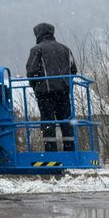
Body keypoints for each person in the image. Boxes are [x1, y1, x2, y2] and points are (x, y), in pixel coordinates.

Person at [26, 23, 77, 152]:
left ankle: (51, 152)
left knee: (48, 122)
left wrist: (35, 86)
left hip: (45, 93)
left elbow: (31, 71)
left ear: (38, 34)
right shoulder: (65, 49)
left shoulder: (37, 49)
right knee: (66, 122)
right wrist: (65, 83)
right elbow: (73, 70)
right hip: (64, 93)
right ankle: (70, 151)